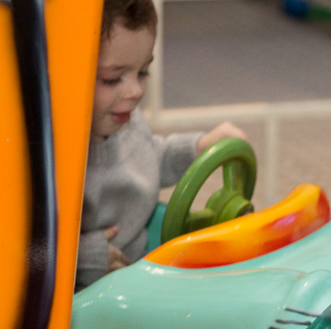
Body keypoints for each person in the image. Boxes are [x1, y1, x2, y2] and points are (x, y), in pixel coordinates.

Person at [77, 0, 246, 290]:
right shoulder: (49, 155)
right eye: (112, 79)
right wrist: (81, 259)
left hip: (138, 276)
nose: (135, 91)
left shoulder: (126, 123)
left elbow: (149, 156)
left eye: (143, 72)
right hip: (83, 299)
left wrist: (201, 147)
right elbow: (21, 248)